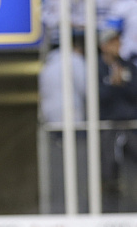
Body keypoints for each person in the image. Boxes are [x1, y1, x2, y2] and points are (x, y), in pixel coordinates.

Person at [38, 33, 89, 214]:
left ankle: (61, 209)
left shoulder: (48, 65)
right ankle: (78, 210)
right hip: (74, 124)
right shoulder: (75, 60)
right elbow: (88, 89)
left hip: (52, 125)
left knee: (59, 175)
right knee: (79, 174)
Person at [97, 28, 137, 212]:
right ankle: (109, 211)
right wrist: (113, 84)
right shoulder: (97, 68)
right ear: (103, 45)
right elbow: (96, 97)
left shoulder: (129, 66)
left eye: (118, 41)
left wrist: (122, 84)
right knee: (108, 170)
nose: (117, 45)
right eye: (112, 42)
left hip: (131, 125)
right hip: (107, 126)